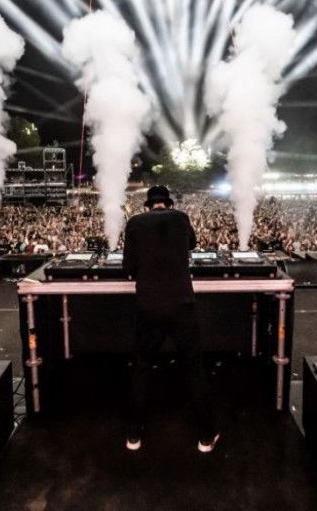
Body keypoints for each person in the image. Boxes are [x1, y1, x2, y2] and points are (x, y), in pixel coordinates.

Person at [122, 185, 218, 453]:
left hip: (149, 305)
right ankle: (206, 437)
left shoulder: (135, 222)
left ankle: (133, 436)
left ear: (146, 206)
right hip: (181, 304)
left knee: (141, 367)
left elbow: (128, 267)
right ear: (169, 204)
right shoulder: (180, 218)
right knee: (195, 367)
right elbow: (192, 244)